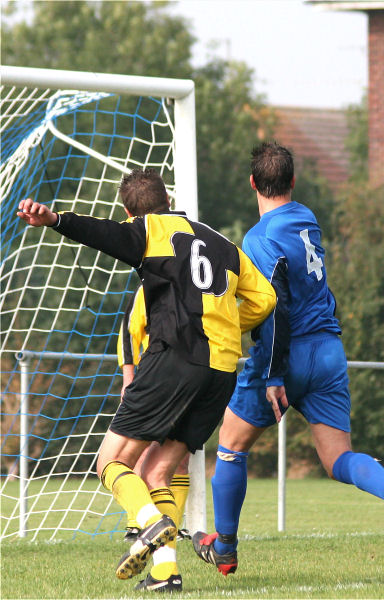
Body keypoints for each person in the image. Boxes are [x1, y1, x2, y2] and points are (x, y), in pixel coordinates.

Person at [190, 142, 384, 577]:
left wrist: (273, 375)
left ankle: (225, 548)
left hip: (285, 356)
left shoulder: (258, 239)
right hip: (327, 350)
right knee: (338, 458)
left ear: (252, 183)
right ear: (292, 181)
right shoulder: (307, 218)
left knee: (231, 448)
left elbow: (276, 309)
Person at [16, 168, 276, 593]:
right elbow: (266, 299)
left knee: (109, 463)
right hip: (223, 371)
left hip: (177, 359)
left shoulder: (150, 231)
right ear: (169, 197)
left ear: (129, 212)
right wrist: (226, 325)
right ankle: (165, 572)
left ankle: (151, 525)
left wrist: (56, 220)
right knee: (158, 472)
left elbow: (103, 234)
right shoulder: (221, 242)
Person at [116, 285, 191, 544]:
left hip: (191, 380)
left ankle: (175, 526)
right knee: (141, 451)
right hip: (154, 376)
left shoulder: (200, 286)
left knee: (180, 459)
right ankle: (137, 523)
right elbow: (128, 331)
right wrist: (128, 379)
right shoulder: (149, 285)